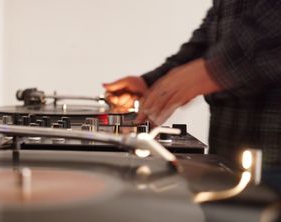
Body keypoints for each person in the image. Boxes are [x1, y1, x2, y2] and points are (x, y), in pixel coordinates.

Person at [103, 1, 281, 170]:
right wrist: (151, 83)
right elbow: (216, 33)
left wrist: (213, 70)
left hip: (273, 161)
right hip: (228, 157)